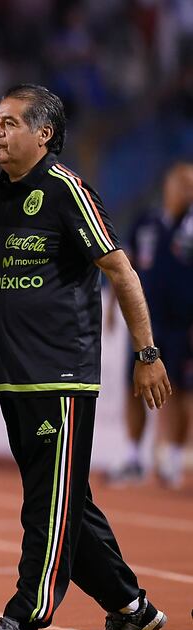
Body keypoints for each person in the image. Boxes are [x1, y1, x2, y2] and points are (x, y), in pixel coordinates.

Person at [0, 84, 169, 630]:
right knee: (62, 502)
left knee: (47, 506)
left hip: (60, 375)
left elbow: (121, 272)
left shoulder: (66, 190)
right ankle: (133, 610)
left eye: (9, 123)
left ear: (44, 133)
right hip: (11, 374)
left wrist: (146, 354)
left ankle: (21, 621)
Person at [106, 163, 193, 488]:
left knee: (183, 390)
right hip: (145, 324)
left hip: (183, 325)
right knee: (135, 386)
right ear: (169, 186)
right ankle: (132, 455)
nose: (189, 190)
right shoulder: (147, 223)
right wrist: (113, 306)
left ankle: (170, 454)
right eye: (184, 183)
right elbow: (123, 265)